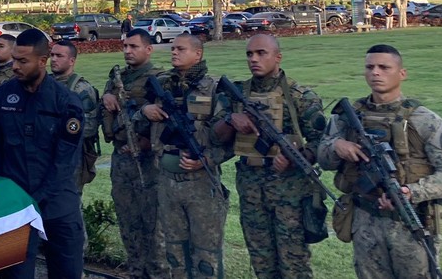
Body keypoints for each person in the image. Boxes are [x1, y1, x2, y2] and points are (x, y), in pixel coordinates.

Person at [317, 44, 442, 279]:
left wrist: (410, 192)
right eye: (370, 67)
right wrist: (337, 147)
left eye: (384, 67)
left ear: (401, 73)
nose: (376, 72)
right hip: (364, 220)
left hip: (412, 222)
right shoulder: (347, 117)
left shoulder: (425, 121)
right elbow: (323, 158)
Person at [212, 34, 327, 279]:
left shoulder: (300, 97)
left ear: (278, 57)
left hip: (290, 194)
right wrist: (230, 119)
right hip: (251, 189)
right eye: (249, 54)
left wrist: (298, 156)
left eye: (261, 53)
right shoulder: (236, 94)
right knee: (261, 261)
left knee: (294, 264)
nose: (254, 59)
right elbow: (216, 137)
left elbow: (321, 143)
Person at [0, 28, 85, 279]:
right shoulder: (1, 98)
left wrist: (36, 198)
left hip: (58, 205)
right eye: (15, 59)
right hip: (14, 208)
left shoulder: (66, 103)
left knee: (67, 272)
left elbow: (64, 162)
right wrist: (5, 195)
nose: (15, 66)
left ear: (42, 61)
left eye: (23, 61)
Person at [140, 33, 231, 279]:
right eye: (172, 49)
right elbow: (131, 112)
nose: (174, 53)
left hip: (201, 184)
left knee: (206, 256)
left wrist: (208, 159)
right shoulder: (161, 84)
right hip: (167, 182)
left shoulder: (214, 88)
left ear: (198, 54)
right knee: (174, 253)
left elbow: (230, 140)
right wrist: (144, 109)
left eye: (180, 49)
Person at [101, 30, 169, 279]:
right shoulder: (118, 77)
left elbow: (167, 119)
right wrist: (107, 96)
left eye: (134, 46)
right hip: (121, 159)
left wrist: (147, 144)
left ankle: (158, 273)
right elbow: (107, 111)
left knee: (154, 225)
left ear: (148, 49)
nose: (127, 51)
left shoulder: (159, 78)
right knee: (128, 222)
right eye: (125, 46)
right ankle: (135, 271)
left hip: (149, 162)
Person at [49, 39, 101, 193]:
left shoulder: (81, 89)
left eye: (59, 56)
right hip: (45, 156)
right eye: (52, 55)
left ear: (71, 61)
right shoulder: (44, 84)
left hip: (72, 158)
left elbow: (89, 127)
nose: (53, 59)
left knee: (68, 203)